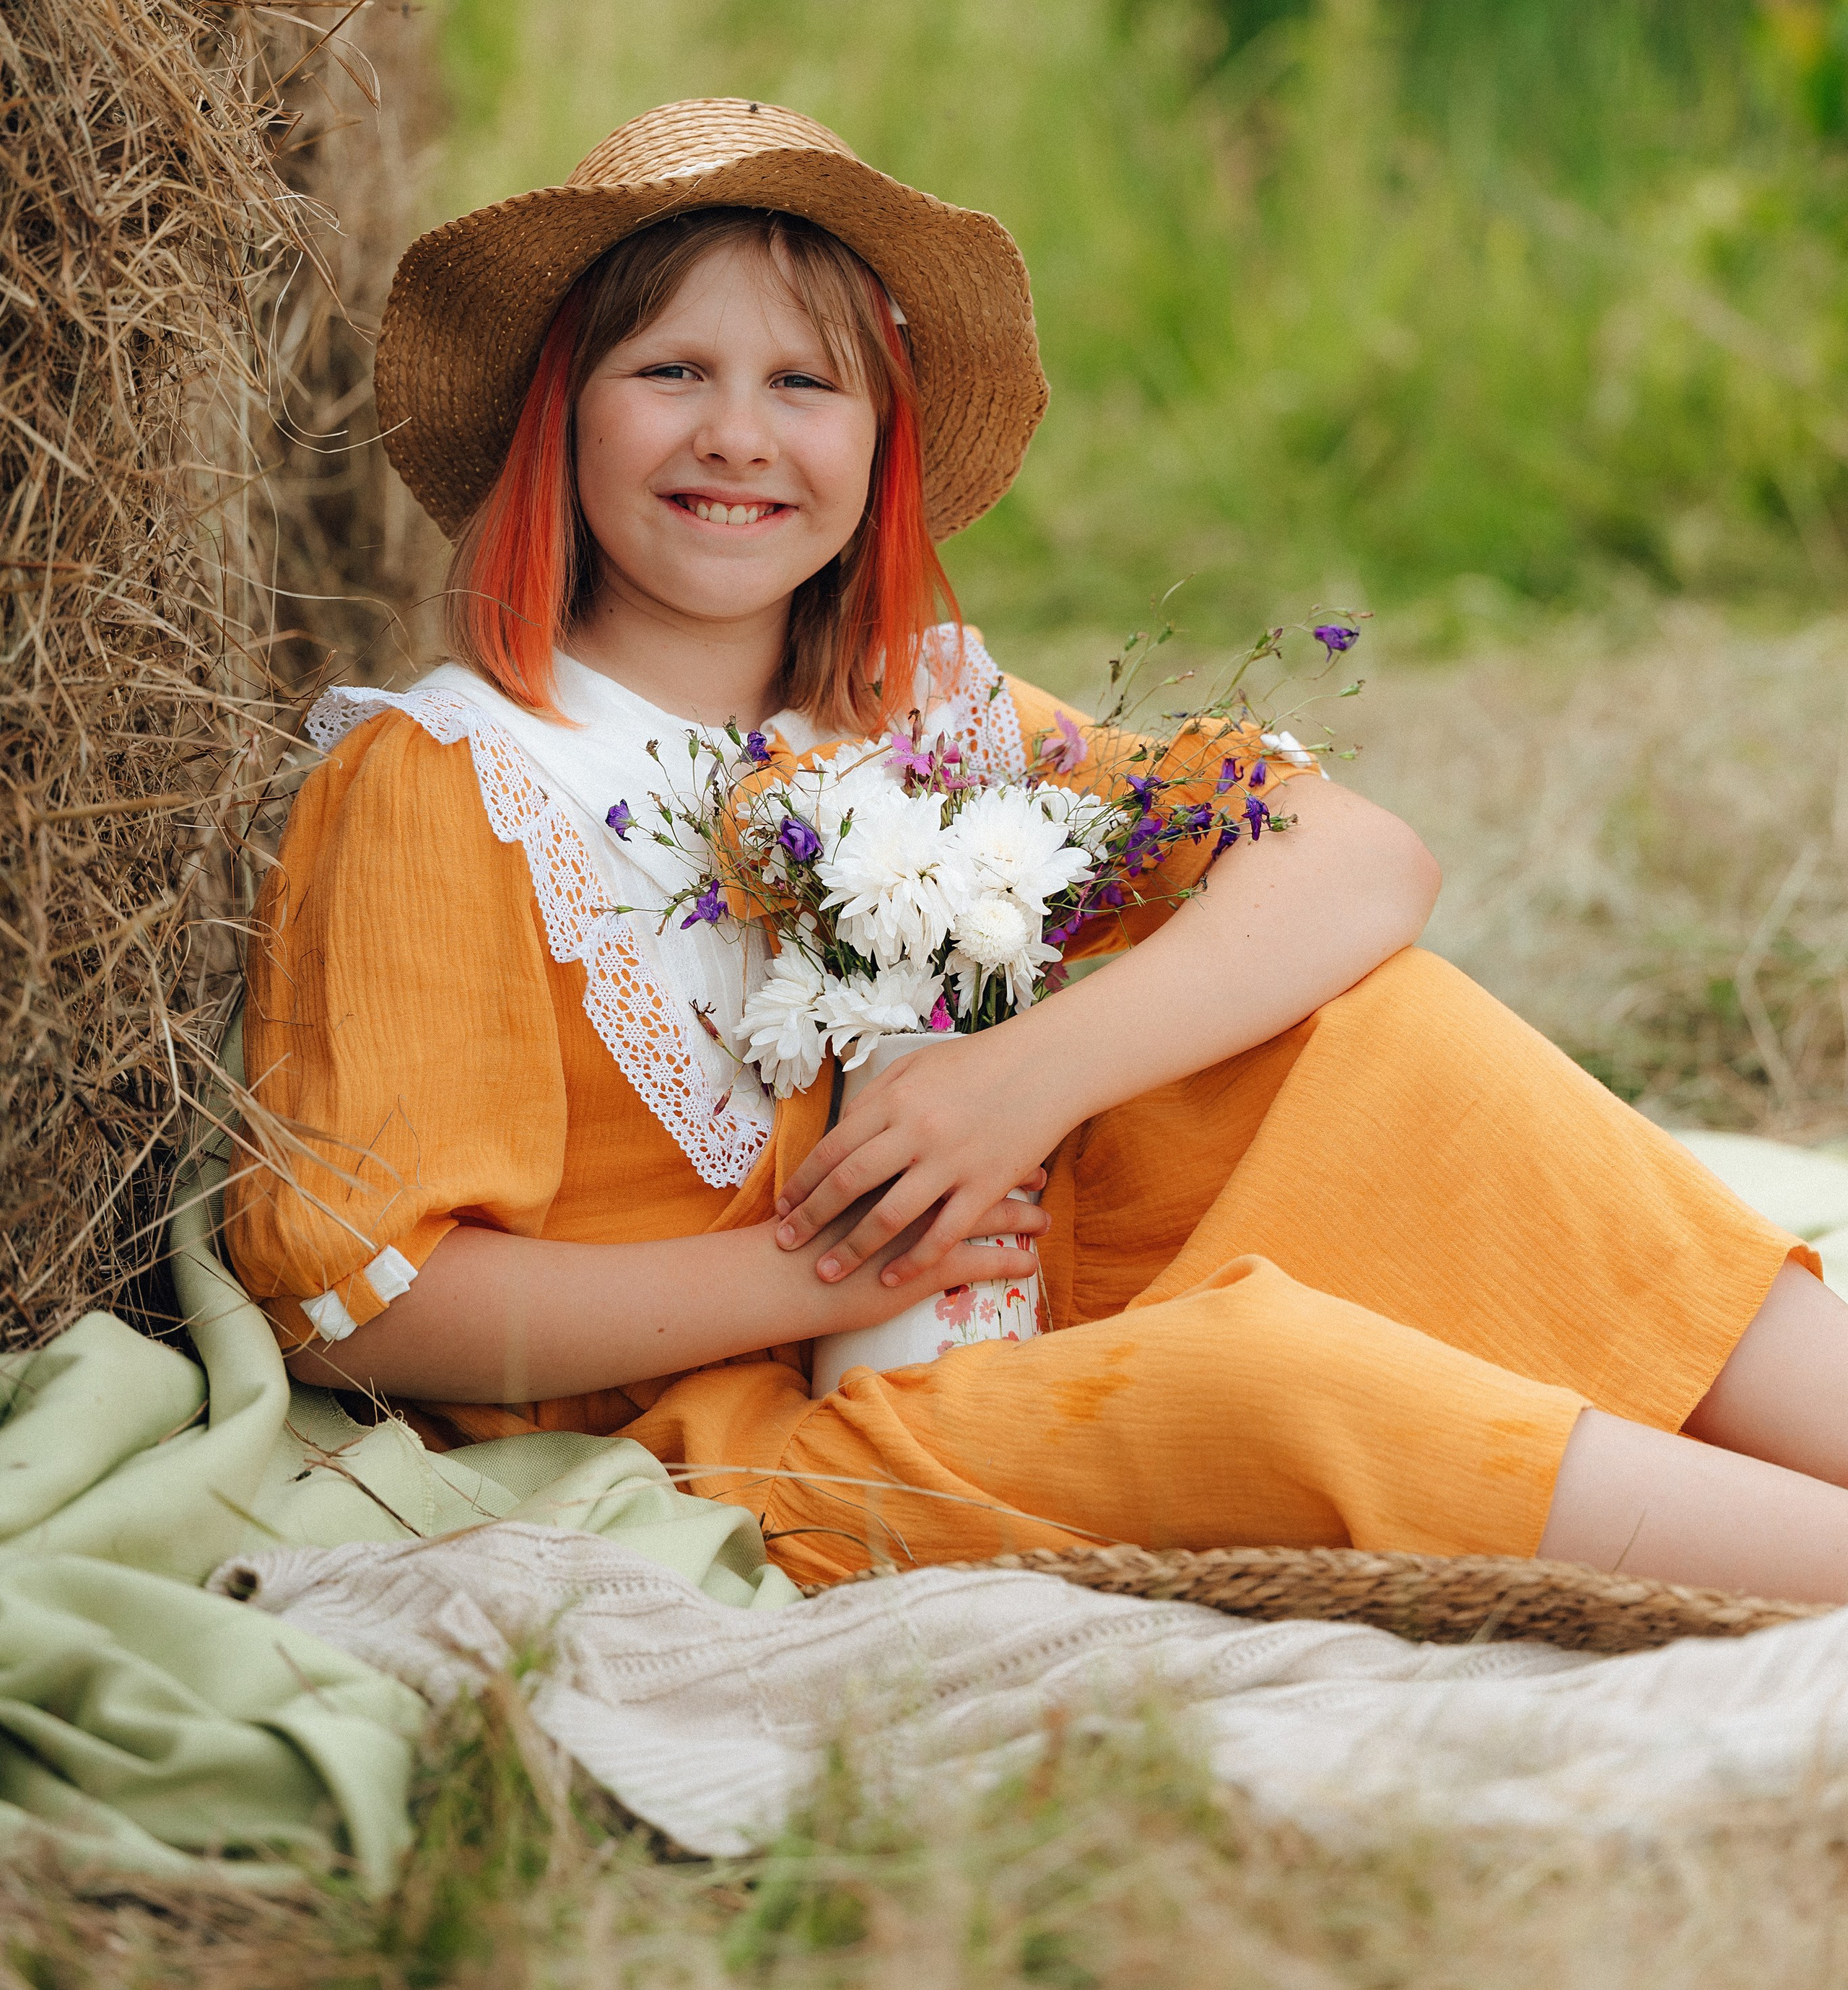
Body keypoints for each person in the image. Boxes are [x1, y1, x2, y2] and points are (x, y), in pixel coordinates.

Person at [227, 98, 1848, 1602]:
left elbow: (1360, 863)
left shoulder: (914, 710)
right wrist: (810, 1284)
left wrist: (1031, 1077)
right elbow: (369, 1300)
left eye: (804, 384)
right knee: (1269, 1385)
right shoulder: (450, 779)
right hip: (745, 1436)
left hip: (1024, 1296)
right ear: (555, 419)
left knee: (1387, 1039)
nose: (737, 435)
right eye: (668, 374)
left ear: (878, 454)